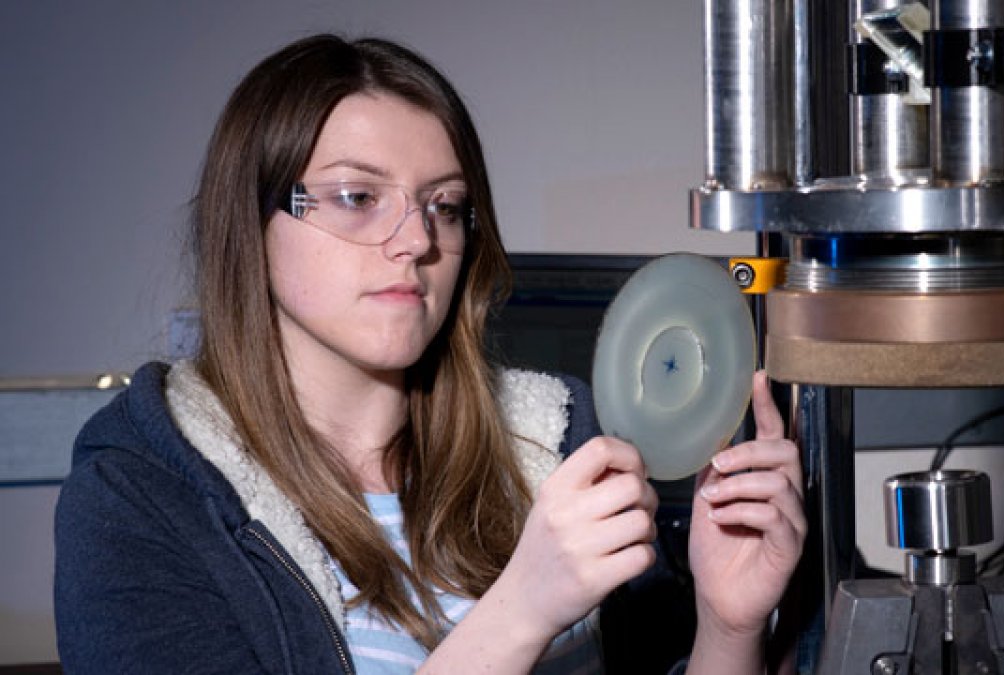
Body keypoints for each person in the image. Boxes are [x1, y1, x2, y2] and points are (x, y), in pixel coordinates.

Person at [53, 34, 806, 675]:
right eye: (357, 197)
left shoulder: (556, 441)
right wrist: (522, 608)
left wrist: (728, 623)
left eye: (443, 204)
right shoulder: (141, 500)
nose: (416, 240)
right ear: (253, 221)